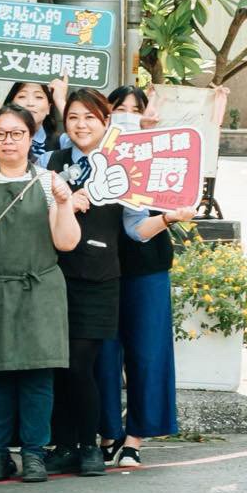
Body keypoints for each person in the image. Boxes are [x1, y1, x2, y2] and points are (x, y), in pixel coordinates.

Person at [0, 104, 79, 483]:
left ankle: (34, 453)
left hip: (40, 287)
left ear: (30, 138)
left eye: (17, 133)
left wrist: (63, 203)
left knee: (38, 375)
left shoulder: (49, 181)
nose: (9, 141)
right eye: (1, 134)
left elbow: (67, 242)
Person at [100, 86, 194, 468]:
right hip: (101, 267)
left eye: (133, 109)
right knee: (103, 354)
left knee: (147, 352)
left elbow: (194, 164)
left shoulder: (162, 151)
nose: (126, 114)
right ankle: (107, 433)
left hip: (148, 265)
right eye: (118, 108)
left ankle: (135, 437)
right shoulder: (94, 151)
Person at [49, 87, 124, 476]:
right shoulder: (52, 161)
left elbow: (136, 228)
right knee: (59, 364)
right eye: (74, 117)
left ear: (105, 122)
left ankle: (89, 445)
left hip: (98, 279)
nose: (81, 125)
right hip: (54, 276)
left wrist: (168, 218)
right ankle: (62, 445)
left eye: (90, 118)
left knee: (82, 363)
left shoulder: (121, 166)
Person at [0, 79, 65, 170]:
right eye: (22, 96)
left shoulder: (61, 142)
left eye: (38, 97)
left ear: (49, 108)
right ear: (12, 104)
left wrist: (60, 101)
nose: (30, 103)